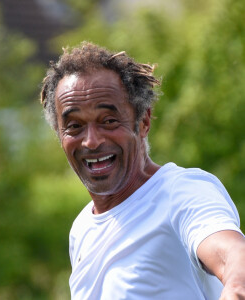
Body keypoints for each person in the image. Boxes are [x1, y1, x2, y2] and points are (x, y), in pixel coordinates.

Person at [40, 42, 245, 299]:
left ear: (143, 121)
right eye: (74, 126)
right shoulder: (82, 229)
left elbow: (231, 253)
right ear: (60, 135)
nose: (91, 141)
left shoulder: (181, 193)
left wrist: (237, 286)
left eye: (109, 121)